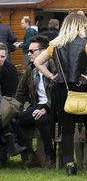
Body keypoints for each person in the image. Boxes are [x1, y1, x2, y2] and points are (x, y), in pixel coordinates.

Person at [33, 12, 87, 175]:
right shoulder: (86, 43)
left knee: (67, 129)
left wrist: (50, 75)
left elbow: (37, 62)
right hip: (81, 88)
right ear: (80, 26)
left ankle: (70, 166)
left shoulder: (55, 44)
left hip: (61, 89)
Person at [15, 35, 54, 168]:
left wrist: (46, 108)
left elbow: (60, 94)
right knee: (15, 120)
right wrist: (17, 110)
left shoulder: (55, 67)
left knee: (40, 118)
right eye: (28, 51)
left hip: (54, 107)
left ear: (43, 52)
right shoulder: (31, 69)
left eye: (32, 51)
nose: (28, 54)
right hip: (36, 107)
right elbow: (20, 93)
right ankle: (31, 156)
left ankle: (50, 156)